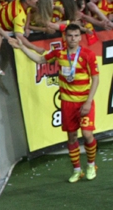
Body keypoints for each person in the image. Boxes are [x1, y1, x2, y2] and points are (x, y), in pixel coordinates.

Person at [9, 24, 100, 183]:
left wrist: (88, 101)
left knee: (87, 134)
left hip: (84, 102)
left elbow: (96, 79)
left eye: (76, 35)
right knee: (71, 137)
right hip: (67, 103)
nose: (73, 39)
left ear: (80, 37)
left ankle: (91, 165)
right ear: (65, 37)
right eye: (70, 35)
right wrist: (22, 47)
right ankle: (77, 170)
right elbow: (40, 59)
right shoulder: (59, 53)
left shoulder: (88, 55)